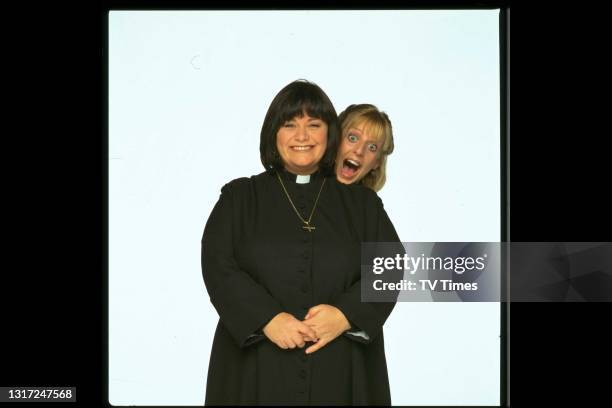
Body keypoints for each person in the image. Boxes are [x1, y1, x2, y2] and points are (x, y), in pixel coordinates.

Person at [201, 79, 400, 405]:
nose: (302, 136)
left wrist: (345, 315)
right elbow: (218, 264)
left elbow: (390, 267)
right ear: (273, 134)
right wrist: (267, 318)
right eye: (290, 125)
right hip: (254, 367)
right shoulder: (239, 197)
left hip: (341, 368)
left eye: (314, 125)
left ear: (329, 134)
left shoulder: (363, 205)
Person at [335, 104, 395, 191]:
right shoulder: (309, 187)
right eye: (353, 138)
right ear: (336, 140)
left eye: (372, 147)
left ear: (377, 162)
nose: (359, 151)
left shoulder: (371, 203)